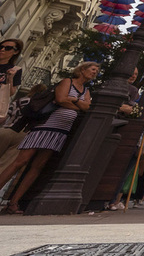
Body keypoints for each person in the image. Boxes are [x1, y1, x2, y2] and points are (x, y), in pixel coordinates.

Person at [0, 61, 97, 214]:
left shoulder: (85, 90)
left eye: (96, 71)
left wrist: (74, 100)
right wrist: (78, 104)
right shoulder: (67, 82)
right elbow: (60, 99)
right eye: (92, 70)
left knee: (38, 166)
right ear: (82, 70)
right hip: (44, 126)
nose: (94, 73)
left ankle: (13, 203)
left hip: (60, 131)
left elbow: (86, 107)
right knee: (21, 161)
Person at [0, 39, 23, 127]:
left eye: (8, 48)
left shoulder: (15, 70)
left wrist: (10, 78)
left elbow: (11, 93)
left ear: (16, 51)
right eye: (1, 47)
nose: (2, 50)